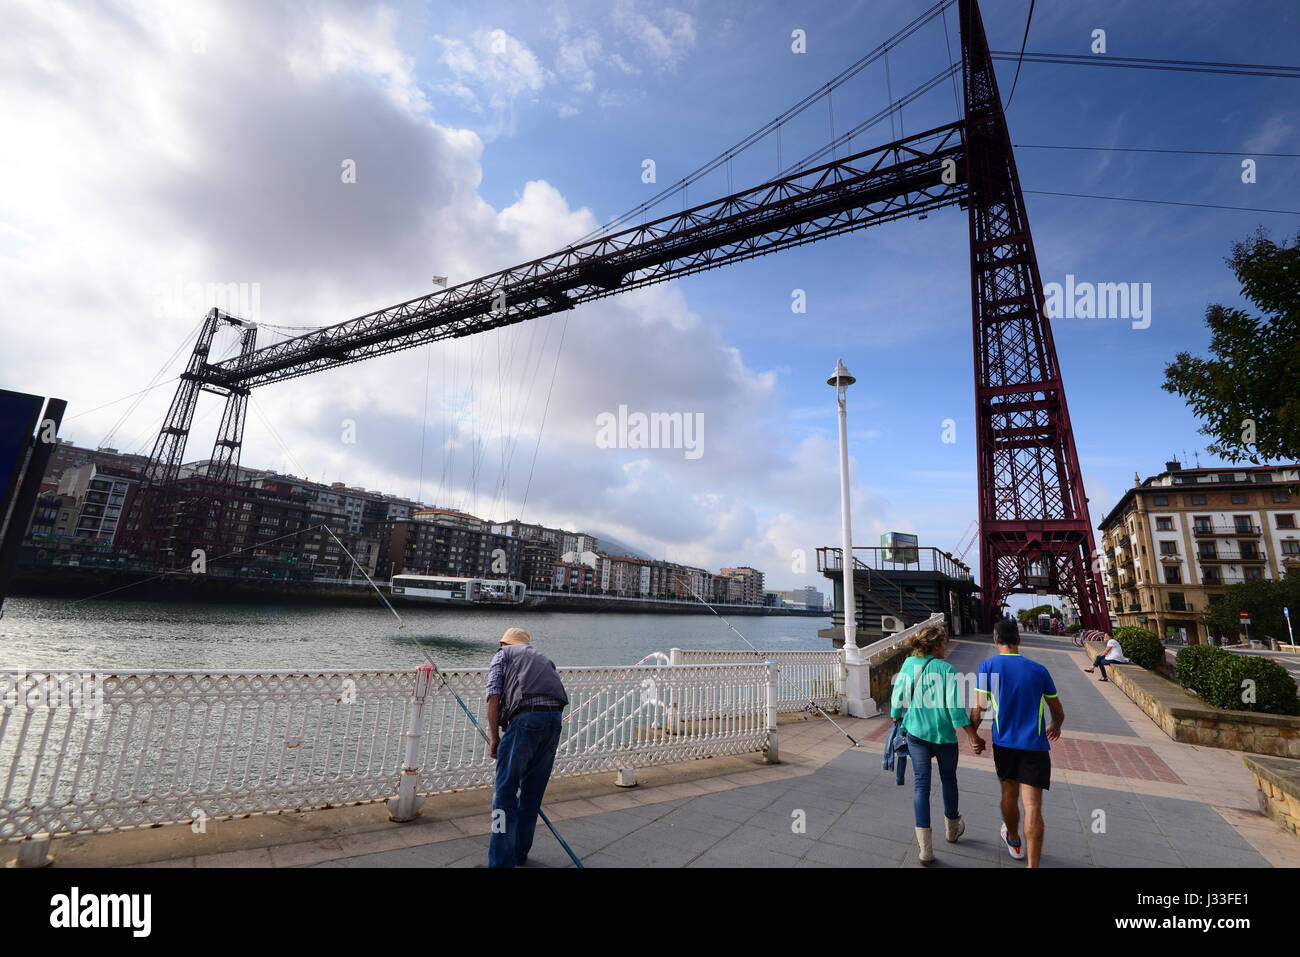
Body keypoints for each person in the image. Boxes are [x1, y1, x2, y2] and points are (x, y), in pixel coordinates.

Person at [890, 622, 986, 865]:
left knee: (921, 785)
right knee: (948, 779)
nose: (947, 646)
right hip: (943, 737)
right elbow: (954, 709)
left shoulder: (909, 664)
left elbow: (898, 697)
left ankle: (925, 850)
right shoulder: (945, 669)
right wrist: (972, 736)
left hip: (916, 734)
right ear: (935, 646)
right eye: (944, 642)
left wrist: (895, 714)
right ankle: (952, 830)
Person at [970, 620, 1063, 868]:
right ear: (1019, 641)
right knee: (1033, 805)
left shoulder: (988, 666)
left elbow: (980, 707)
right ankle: (1033, 866)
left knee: (1009, 795)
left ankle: (1013, 839)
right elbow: (1057, 709)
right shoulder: (1039, 670)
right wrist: (1056, 725)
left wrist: (974, 735)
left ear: (995, 640)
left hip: (1005, 743)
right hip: (1035, 745)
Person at [485, 627, 569, 868]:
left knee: (504, 795)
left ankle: (500, 863)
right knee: (531, 796)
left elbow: (493, 697)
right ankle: (518, 855)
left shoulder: (503, 655)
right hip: (553, 722)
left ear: (505, 643)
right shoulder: (543, 658)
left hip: (525, 723)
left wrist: (494, 737)